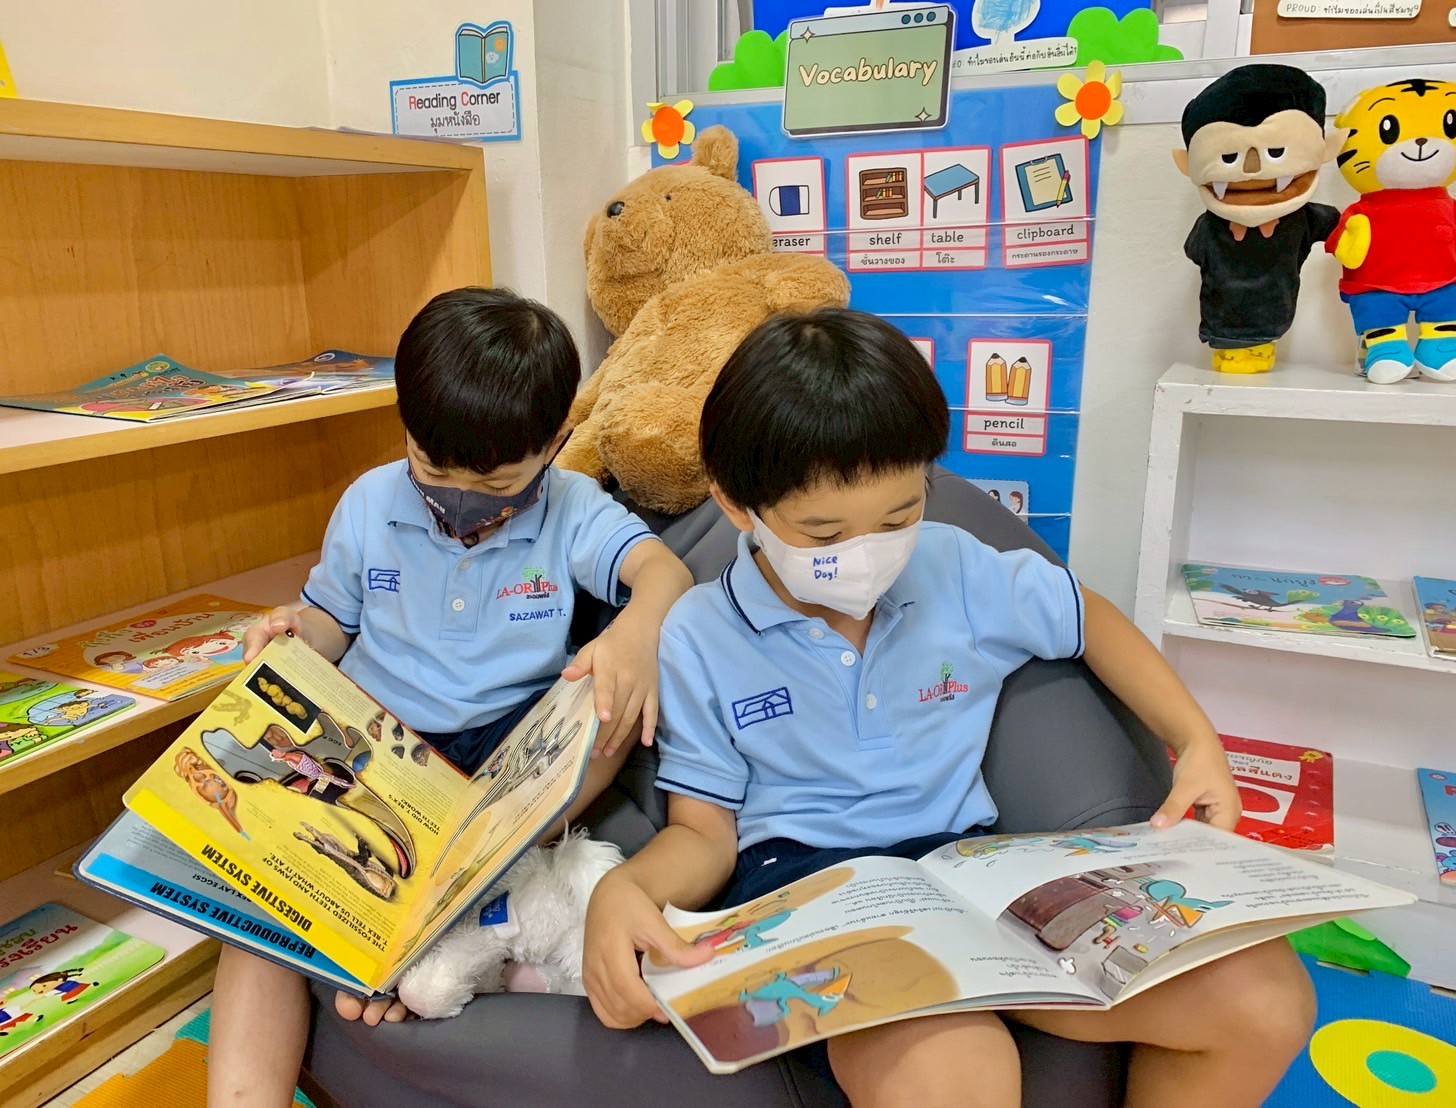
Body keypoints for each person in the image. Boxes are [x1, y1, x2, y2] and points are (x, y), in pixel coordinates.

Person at [582, 309, 1315, 1108]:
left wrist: (1193, 738)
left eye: (898, 517)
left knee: (1264, 1001)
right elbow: (702, 832)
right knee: (955, 1073)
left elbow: (1089, 619)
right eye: (822, 534)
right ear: (737, 505)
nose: (865, 554)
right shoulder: (700, 633)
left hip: (973, 870)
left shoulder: (956, 567)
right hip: (809, 890)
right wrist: (626, 889)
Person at [209, 287, 692, 1108]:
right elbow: (331, 621)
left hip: (509, 755)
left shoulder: (573, 506)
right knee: (257, 913)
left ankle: (438, 913)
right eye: (433, 471)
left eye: (497, 481)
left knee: (610, 704)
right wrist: (295, 631)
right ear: (404, 428)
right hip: (376, 743)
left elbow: (662, 572)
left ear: (556, 441)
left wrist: (636, 631)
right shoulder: (370, 502)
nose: (460, 501)